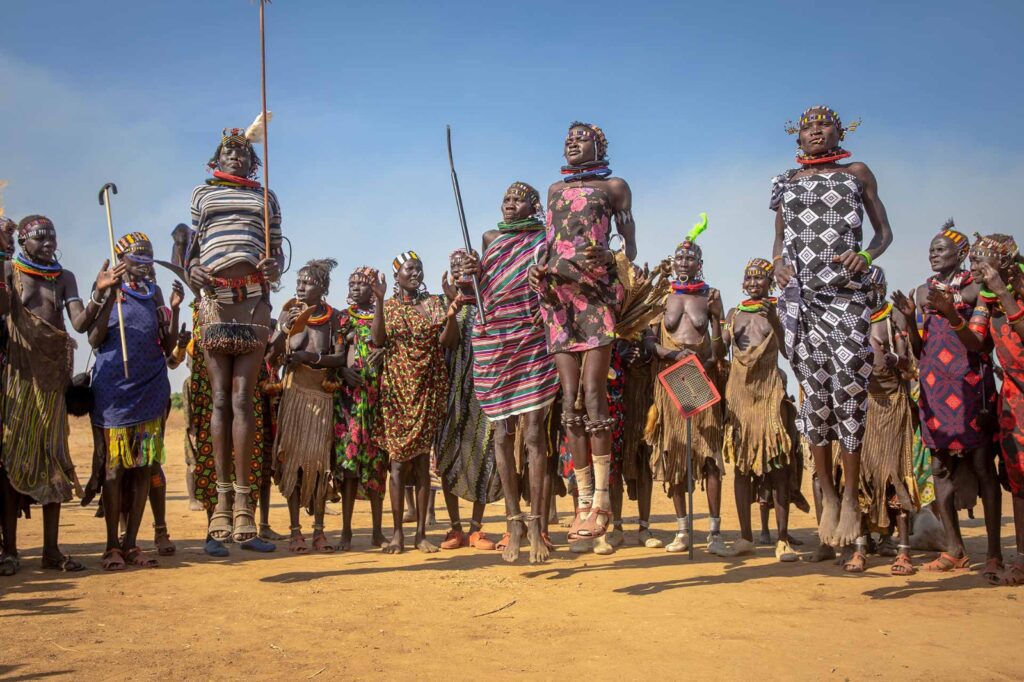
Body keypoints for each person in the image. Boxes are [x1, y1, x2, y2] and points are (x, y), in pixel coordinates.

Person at [772, 105, 893, 549]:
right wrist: (780, 266)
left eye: (824, 124)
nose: (815, 130)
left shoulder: (857, 173)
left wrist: (864, 257)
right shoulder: (786, 181)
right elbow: (778, 245)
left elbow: (883, 234)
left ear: (840, 131)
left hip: (845, 296)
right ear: (797, 138)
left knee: (849, 389)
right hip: (802, 302)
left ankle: (852, 502)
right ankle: (827, 493)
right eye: (807, 126)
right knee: (816, 397)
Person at [529, 122, 635, 542]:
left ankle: (603, 502)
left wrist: (609, 254)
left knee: (593, 394)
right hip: (557, 300)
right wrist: (539, 268)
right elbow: (550, 242)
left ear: (600, 144)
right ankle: (582, 501)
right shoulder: (554, 190)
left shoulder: (614, 188)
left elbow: (629, 246)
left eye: (580, 137)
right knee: (569, 403)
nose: (572, 142)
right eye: (567, 138)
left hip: (595, 295)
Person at [0, 215, 122, 575]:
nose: (48, 244)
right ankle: (10, 551)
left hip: (53, 382)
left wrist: (100, 292)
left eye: (52, 237)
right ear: (24, 242)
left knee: (54, 462)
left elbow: (81, 323)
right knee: (12, 464)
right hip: (18, 381)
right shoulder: (10, 272)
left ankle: (51, 550)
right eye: (40, 239)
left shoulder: (63, 277)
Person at [186, 124, 282, 546]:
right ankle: (220, 504)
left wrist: (275, 267)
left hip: (254, 300)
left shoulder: (266, 198)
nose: (236, 158)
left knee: (245, 399)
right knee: (221, 399)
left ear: (253, 161)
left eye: (243, 153)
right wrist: (193, 270)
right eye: (229, 153)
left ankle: (244, 504)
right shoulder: (202, 195)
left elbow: (276, 253)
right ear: (216, 159)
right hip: (214, 302)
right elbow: (192, 252)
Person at [891, 220, 1002, 579]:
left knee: (983, 467)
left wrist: (953, 314)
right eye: (931, 250)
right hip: (935, 389)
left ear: (961, 254)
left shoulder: (976, 291)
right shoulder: (923, 292)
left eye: (940, 249)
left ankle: (995, 553)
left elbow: (981, 345)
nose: (933, 254)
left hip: (971, 388)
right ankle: (955, 548)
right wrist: (909, 322)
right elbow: (921, 349)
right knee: (940, 468)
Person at [460, 182, 561, 563]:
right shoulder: (489, 238)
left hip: (531, 339)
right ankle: (513, 522)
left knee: (534, 434)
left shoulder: (544, 239)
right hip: (494, 342)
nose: (509, 205)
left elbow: (553, 286)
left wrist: (544, 282)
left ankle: (537, 526)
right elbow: (480, 289)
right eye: (505, 199)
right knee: (501, 436)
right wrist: (471, 272)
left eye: (517, 199)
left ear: (534, 205)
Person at [928, 233, 1022, 585]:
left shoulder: (999, 290)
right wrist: (952, 316)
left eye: (983, 260)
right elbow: (977, 341)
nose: (976, 267)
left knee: (997, 470)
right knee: (1014, 478)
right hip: (993, 395)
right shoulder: (983, 298)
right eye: (975, 260)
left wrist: (1002, 291)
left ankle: (1003, 555)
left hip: (995, 389)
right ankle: (1003, 556)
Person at [89, 232, 181, 570]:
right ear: (122, 260)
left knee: (144, 467)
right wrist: (104, 296)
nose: (144, 264)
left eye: (148, 257)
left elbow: (167, 345)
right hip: (115, 393)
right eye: (137, 257)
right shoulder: (108, 289)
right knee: (114, 470)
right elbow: (94, 338)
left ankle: (131, 544)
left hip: (150, 390)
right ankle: (111, 544)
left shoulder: (153, 292)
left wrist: (173, 308)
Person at [645, 217, 728, 555]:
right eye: (679, 257)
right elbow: (649, 341)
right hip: (670, 377)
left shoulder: (710, 297)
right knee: (674, 453)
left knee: (709, 455)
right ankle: (681, 531)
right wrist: (671, 354)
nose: (683, 262)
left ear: (700, 263)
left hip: (699, 375)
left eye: (690, 257)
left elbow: (720, 348)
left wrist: (719, 319)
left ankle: (714, 533)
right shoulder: (660, 297)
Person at [371, 252, 460, 554]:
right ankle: (398, 533)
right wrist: (380, 302)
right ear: (396, 276)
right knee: (397, 464)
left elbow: (448, 342)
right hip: (397, 391)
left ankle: (421, 534)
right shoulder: (389, 306)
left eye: (419, 268)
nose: (416, 273)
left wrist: (450, 315)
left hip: (427, 389)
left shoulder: (434, 303)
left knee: (423, 463)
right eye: (409, 269)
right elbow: (379, 340)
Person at [843, 267, 918, 575]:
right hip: (859, 406)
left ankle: (902, 551)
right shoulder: (849, 318)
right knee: (858, 476)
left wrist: (895, 359)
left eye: (872, 285)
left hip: (892, 406)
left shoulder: (893, 318)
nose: (868, 291)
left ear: (882, 287)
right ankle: (860, 548)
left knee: (895, 476)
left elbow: (910, 366)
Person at [721, 258, 797, 562]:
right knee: (741, 465)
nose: (754, 283)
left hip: (768, 392)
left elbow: (789, 351)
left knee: (778, 465)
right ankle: (745, 537)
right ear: (742, 283)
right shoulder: (735, 314)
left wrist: (776, 321)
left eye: (760, 278)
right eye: (749, 279)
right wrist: (717, 321)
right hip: (738, 394)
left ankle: (781, 540)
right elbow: (719, 348)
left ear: (770, 283)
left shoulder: (779, 311)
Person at [270, 259, 345, 553]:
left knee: (318, 466)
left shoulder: (334, 318)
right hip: (294, 394)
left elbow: (339, 358)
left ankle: (319, 531)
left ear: (323, 288)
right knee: (293, 464)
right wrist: (283, 328)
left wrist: (310, 359)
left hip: (321, 397)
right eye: (299, 281)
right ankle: (295, 531)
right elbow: (272, 352)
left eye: (308, 282)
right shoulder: (287, 313)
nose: (301, 286)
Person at [435, 249, 501, 552]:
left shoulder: (489, 302)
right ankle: (455, 527)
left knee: (483, 454)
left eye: (466, 265)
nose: (460, 270)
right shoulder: (443, 304)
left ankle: (476, 528)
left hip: (483, 391)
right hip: (451, 391)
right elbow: (446, 343)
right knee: (448, 456)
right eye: (454, 266)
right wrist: (451, 310)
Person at [334, 266, 387, 551]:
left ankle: (378, 532)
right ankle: (346, 532)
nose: (356, 287)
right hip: (348, 399)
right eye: (351, 283)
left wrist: (380, 302)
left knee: (378, 467)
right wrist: (343, 371)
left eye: (362, 283)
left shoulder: (384, 313)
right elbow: (336, 351)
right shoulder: (342, 318)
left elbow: (382, 341)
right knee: (349, 467)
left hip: (377, 398)